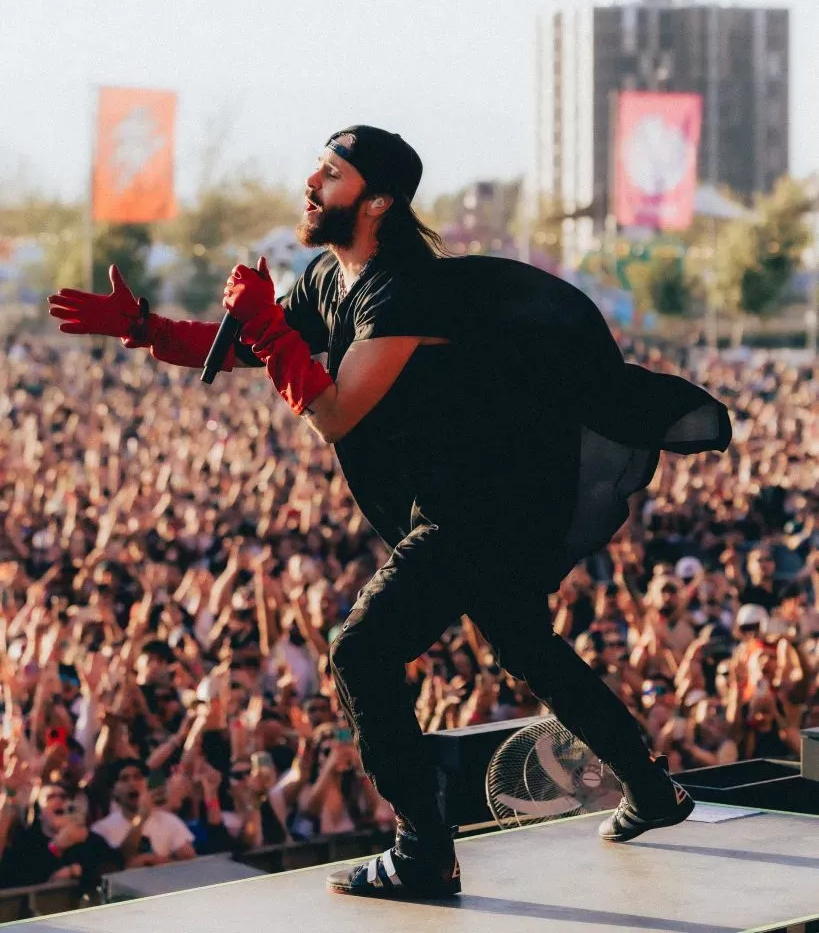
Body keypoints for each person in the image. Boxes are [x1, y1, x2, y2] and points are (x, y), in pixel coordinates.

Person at [48, 124, 731, 900]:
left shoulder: (406, 287)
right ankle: (652, 790)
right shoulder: (329, 277)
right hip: (459, 502)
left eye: (330, 173)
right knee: (527, 649)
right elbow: (244, 349)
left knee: (361, 652)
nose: (310, 182)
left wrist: (271, 326)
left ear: (375, 200)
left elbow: (336, 411)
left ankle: (421, 854)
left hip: (480, 507)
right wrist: (145, 329)